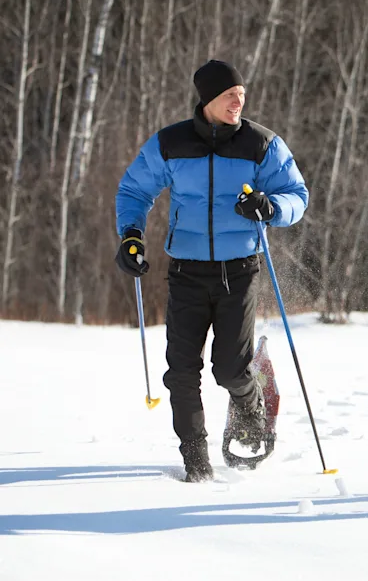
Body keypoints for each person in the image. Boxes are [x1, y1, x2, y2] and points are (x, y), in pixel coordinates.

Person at [115, 60, 309, 482]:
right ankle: (196, 463)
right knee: (181, 372)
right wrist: (131, 234)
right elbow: (134, 189)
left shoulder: (262, 145)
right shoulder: (171, 143)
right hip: (185, 271)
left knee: (230, 369)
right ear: (207, 100)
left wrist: (270, 207)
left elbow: (297, 195)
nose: (238, 101)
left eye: (241, 93)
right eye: (228, 95)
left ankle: (252, 400)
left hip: (239, 271)